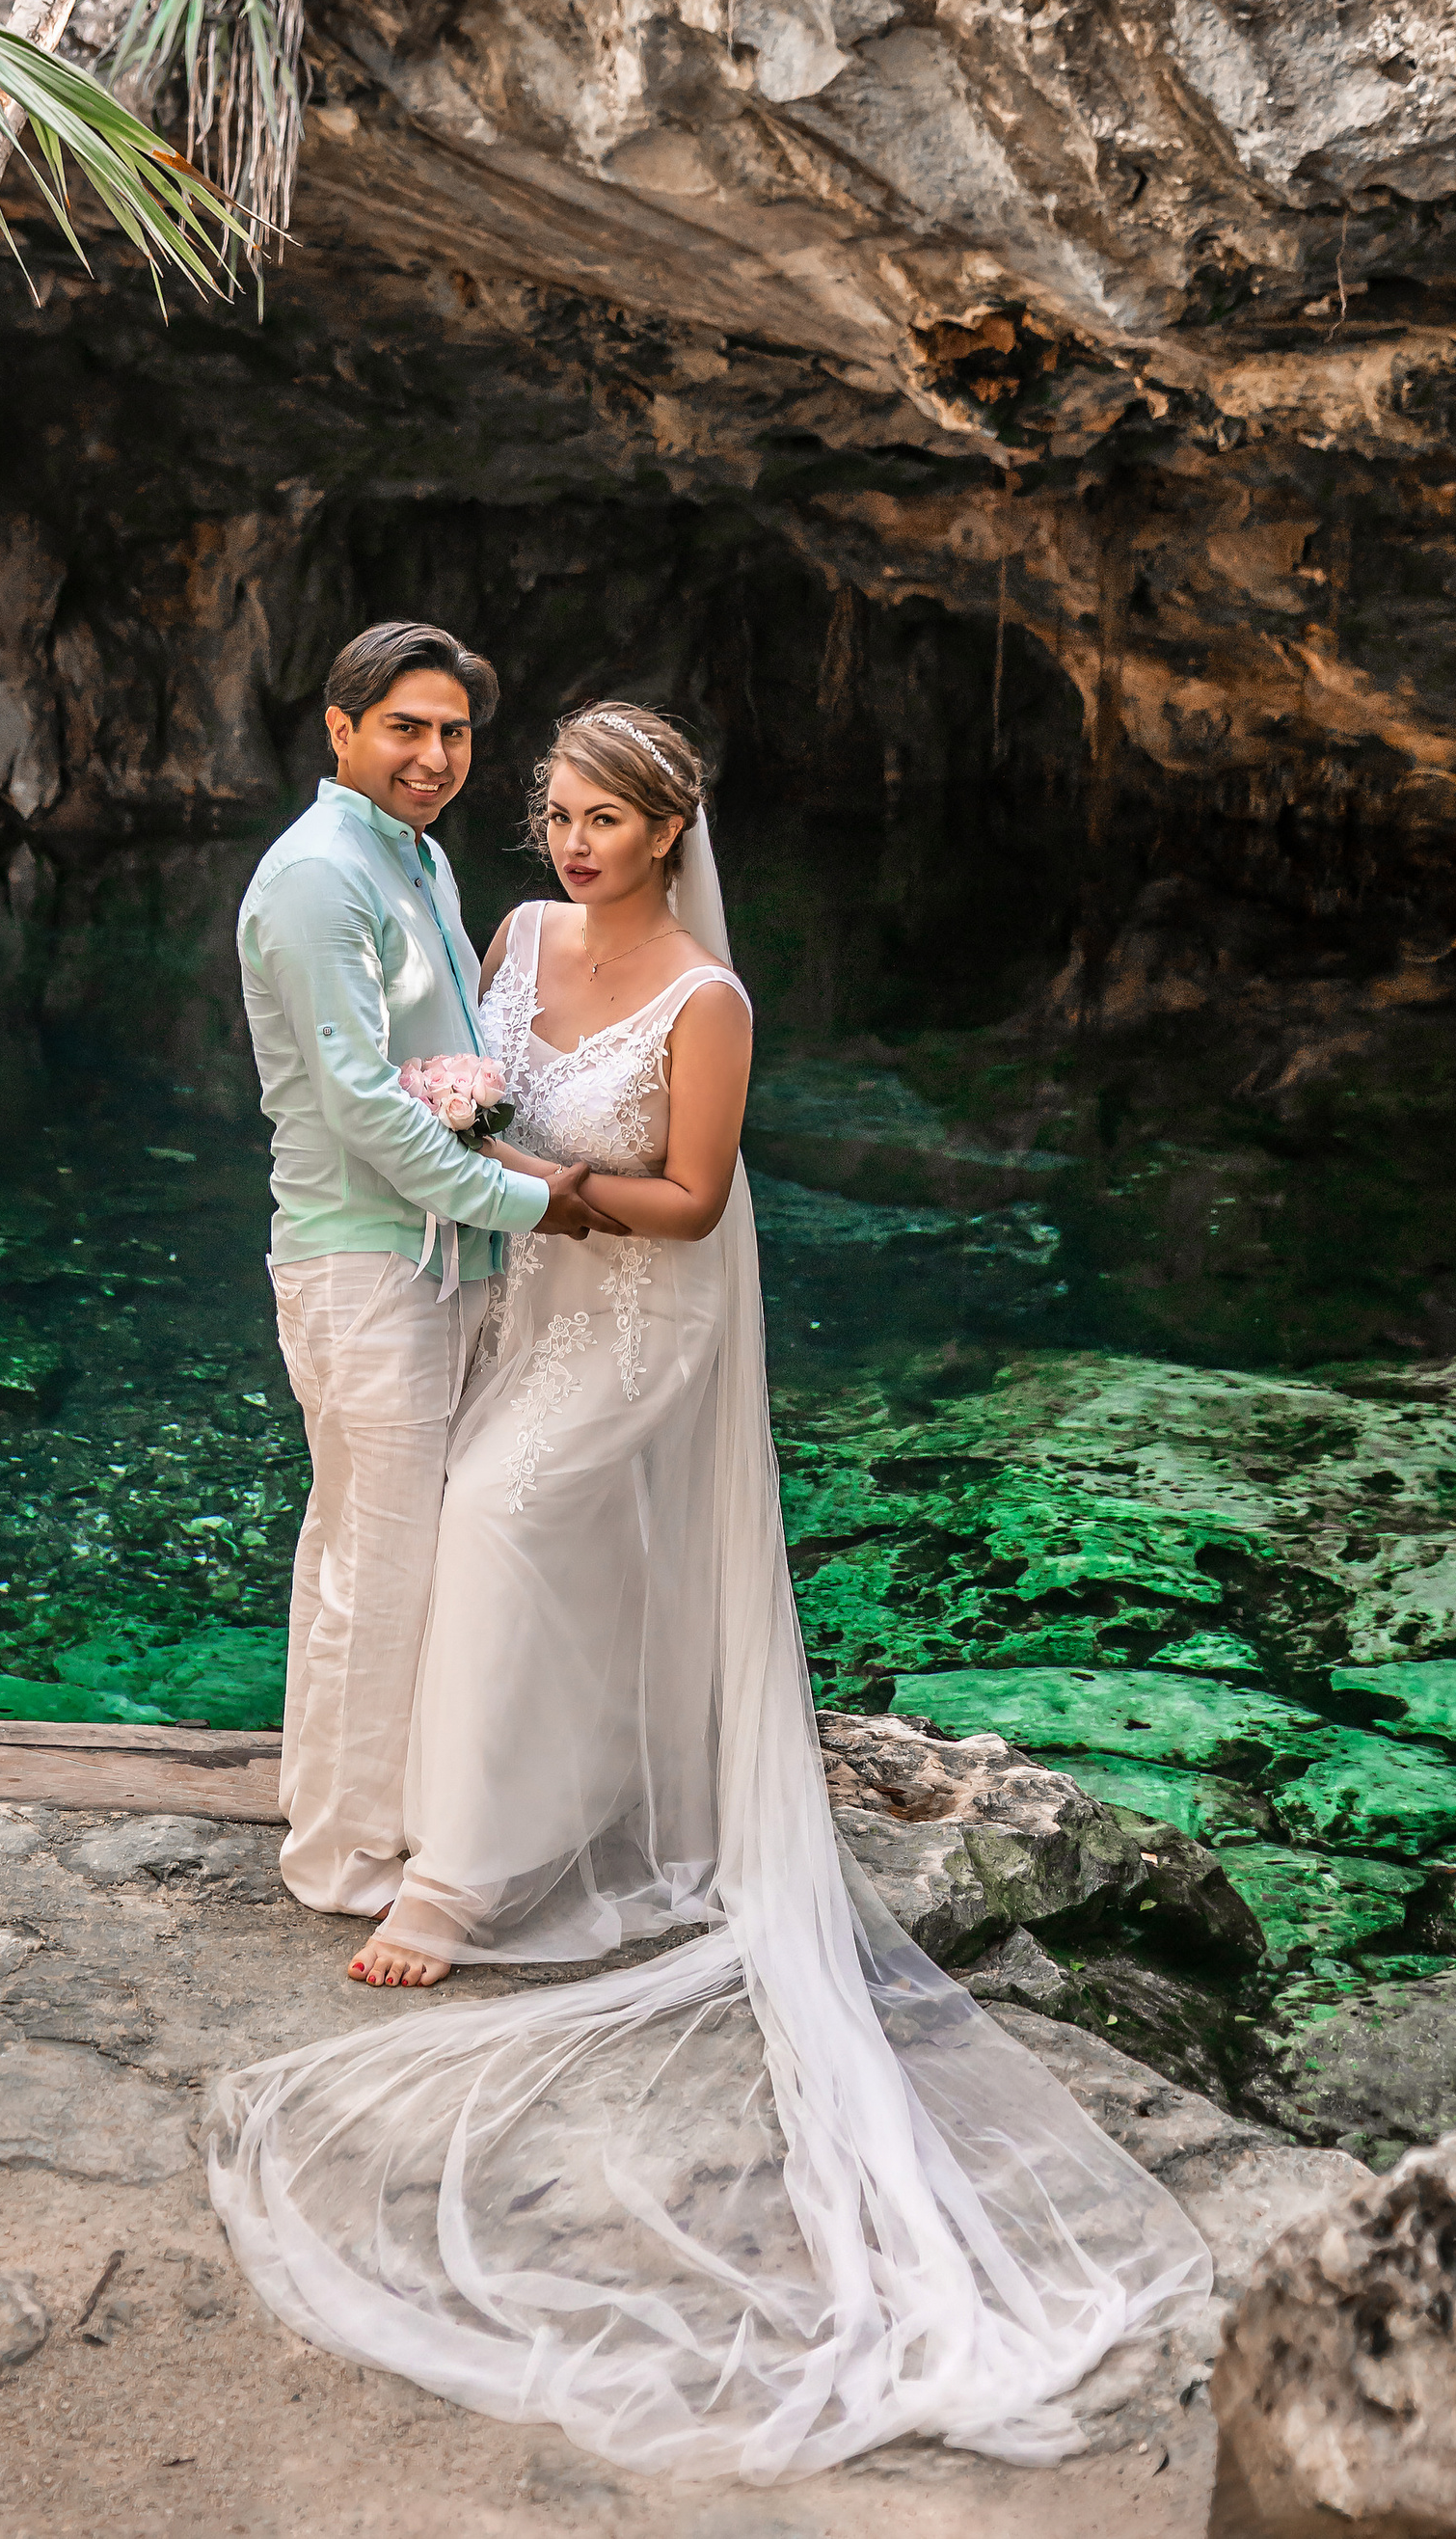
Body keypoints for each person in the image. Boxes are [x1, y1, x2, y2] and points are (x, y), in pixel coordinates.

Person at [210, 699, 1210, 2480]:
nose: (573, 843)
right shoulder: (507, 932)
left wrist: (522, 1172)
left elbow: (685, 1205)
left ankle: (464, 1874)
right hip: (518, 1302)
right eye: (559, 815)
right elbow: (418, 1069)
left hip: (638, 1327)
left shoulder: (709, 997)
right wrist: (462, 1138)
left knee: (511, 1520)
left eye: (605, 819)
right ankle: (511, 1788)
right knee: (451, 1525)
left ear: (670, 832)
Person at [236, 621, 623, 1941]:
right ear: (339, 728)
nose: (434, 755)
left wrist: (502, 1180)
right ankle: (344, 1867)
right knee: (375, 1570)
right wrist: (532, 1203)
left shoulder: (416, 862)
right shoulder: (315, 883)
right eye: (406, 726)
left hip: (427, 1257)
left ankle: (350, 1813)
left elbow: (440, 1065)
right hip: (362, 1264)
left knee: (360, 1552)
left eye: (454, 732)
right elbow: (358, 1111)